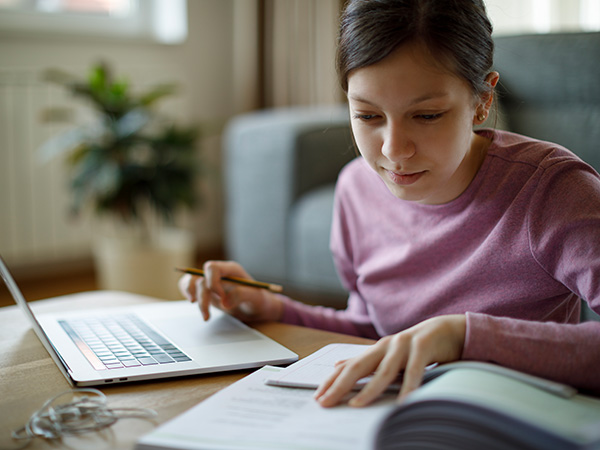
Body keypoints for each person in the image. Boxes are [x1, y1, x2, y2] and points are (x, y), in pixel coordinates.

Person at [180, 0, 600, 408]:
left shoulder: (551, 188)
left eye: (427, 115)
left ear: (483, 100)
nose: (394, 151)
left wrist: (463, 337)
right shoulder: (355, 191)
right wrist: (273, 309)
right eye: (367, 116)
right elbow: (373, 331)